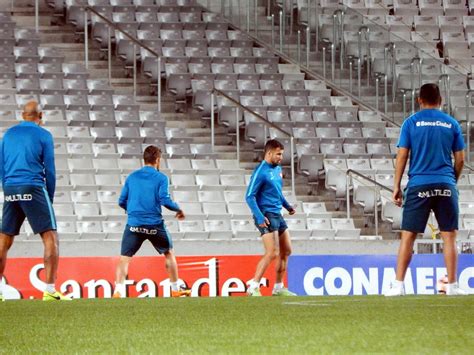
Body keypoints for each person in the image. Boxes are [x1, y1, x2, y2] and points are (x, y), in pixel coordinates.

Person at [385, 83, 467, 296]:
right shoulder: (451, 123)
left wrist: (396, 186)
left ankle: (398, 285)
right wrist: (451, 180)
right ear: (440, 100)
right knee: (449, 236)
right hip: (446, 183)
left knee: (408, 235)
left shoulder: (411, 123)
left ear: (419, 100)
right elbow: (461, 159)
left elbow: (402, 155)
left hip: (419, 184)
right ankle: (452, 286)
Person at [0, 101, 70, 301]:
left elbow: (1, 167)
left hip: (11, 188)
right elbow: (50, 170)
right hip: (33, 187)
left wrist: (8, 188)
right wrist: (49, 195)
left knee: (4, 240)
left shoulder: (8, 135)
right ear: (41, 116)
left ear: (23, 115)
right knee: (50, 237)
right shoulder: (44, 135)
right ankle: (49, 290)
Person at [113, 145, 191, 298]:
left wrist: (131, 211)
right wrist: (178, 209)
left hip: (134, 224)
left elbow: (122, 200)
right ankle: (175, 289)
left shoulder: (132, 177)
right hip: (154, 224)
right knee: (169, 253)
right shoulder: (161, 177)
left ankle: (118, 291)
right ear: (157, 159)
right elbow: (165, 200)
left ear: (144, 159)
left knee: (124, 259)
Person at [245, 139, 297, 297]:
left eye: (282, 154)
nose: (281, 157)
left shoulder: (277, 169)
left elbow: (277, 192)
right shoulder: (261, 171)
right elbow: (249, 196)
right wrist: (260, 217)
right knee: (272, 252)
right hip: (265, 215)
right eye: (278, 154)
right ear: (269, 153)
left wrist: (287, 206)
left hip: (277, 214)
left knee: (286, 250)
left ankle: (278, 287)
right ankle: (253, 286)